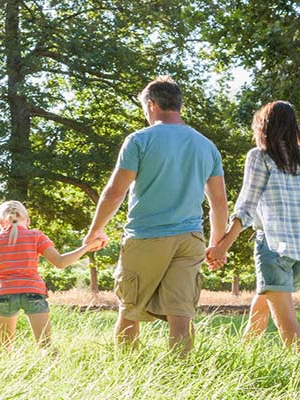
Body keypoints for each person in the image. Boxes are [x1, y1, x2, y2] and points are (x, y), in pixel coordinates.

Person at [83, 76, 228, 356]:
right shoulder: (206, 145)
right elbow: (219, 204)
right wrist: (215, 244)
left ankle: (129, 371)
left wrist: (96, 230)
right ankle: (181, 377)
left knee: (130, 311)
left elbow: (115, 192)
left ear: (151, 105)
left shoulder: (139, 140)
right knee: (180, 316)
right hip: (190, 240)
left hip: (147, 236)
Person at [212, 100, 300, 348]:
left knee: (286, 322)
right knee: (265, 302)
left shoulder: (260, 157)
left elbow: (246, 206)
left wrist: (222, 246)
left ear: (263, 127)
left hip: (274, 246)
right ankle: (245, 354)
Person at [0, 200, 93, 351]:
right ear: (27, 220)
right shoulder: (36, 236)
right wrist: (87, 247)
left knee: (5, 350)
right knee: (45, 347)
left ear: (0, 222)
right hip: (33, 293)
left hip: (5, 295)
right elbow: (60, 262)